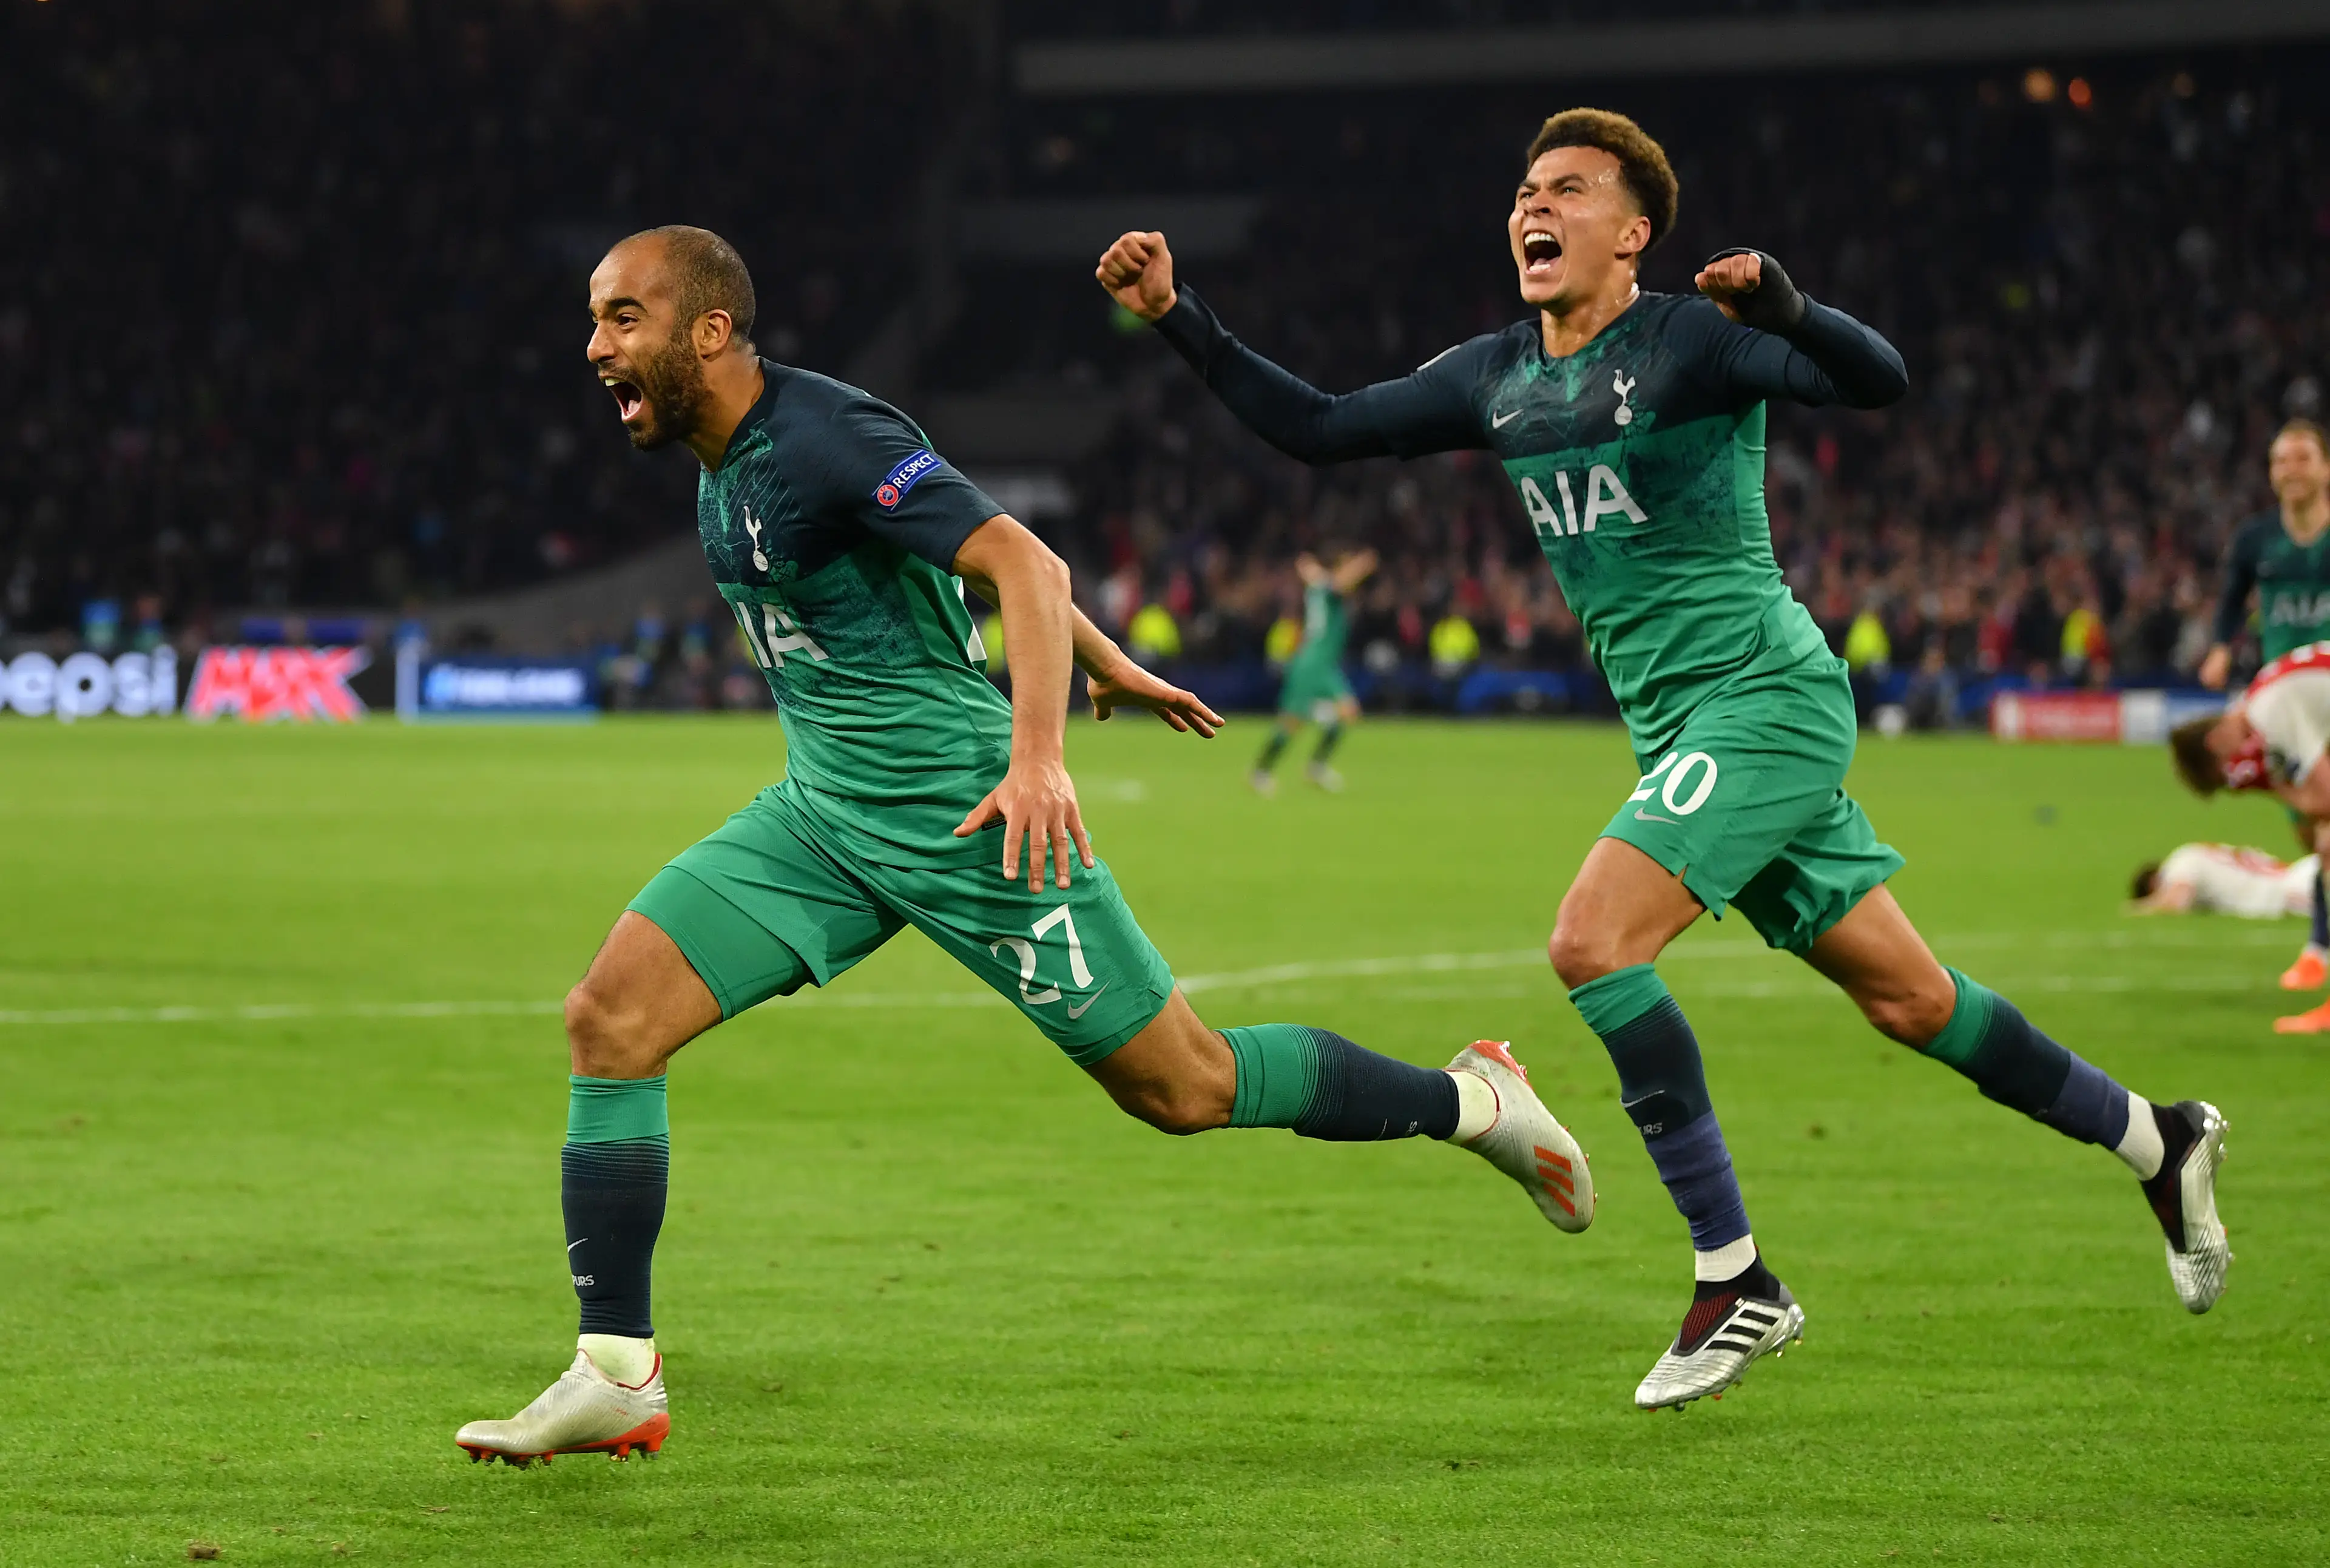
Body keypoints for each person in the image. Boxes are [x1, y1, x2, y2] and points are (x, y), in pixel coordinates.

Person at [1096, 107, 2230, 1411]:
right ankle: (2160, 1137)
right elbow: (1319, 423)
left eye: (1570, 189)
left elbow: (1879, 382)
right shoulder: (1495, 376)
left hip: (1765, 699)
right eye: (1527, 187)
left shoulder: (1686, 342)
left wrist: (1792, 308)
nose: (1537, 204)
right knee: (1913, 1001)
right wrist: (1182, 314)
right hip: (1686, 732)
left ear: (1633, 236)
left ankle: (1734, 1274)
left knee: (1592, 939)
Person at [451, 226, 1596, 1465]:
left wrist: (1038, 756)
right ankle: (618, 1369)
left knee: (1185, 1087)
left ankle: (1475, 1099)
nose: (596, 344)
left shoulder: (824, 435)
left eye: (624, 317)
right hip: (821, 817)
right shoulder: (720, 462)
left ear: (709, 331)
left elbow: (1021, 559)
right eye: (597, 317)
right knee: (609, 1020)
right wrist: (1111, 661)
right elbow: (964, 584)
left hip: (965, 817)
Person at [2198, 420, 2330, 991]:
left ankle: (2319, 950)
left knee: (2326, 825)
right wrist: (2221, 649)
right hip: (2286, 712)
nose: (2291, 470)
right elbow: (2231, 601)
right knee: (2309, 829)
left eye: (2302, 458)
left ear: (2325, 468)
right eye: (2281, 461)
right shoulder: (2256, 540)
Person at [2171, 639, 2330, 1032]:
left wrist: (2273, 788)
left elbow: (2325, 798)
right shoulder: (2264, 700)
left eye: (2223, 776)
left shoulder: (2269, 711)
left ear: (2215, 743)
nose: (2233, 776)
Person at [1252, 546, 1377, 794]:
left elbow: (1315, 573)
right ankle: (1261, 772)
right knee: (1294, 722)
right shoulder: (1329, 590)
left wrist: (1311, 568)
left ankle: (1315, 767)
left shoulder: (1321, 588)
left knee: (1346, 712)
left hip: (1322, 664)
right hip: (1312, 664)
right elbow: (1337, 580)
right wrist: (1362, 564)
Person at [2128, 842, 2319, 918]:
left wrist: (2139, 908)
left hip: (2288, 891)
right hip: (2302, 870)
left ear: (2154, 883)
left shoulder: (2178, 864)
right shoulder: (2195, 852)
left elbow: (2177, 902)